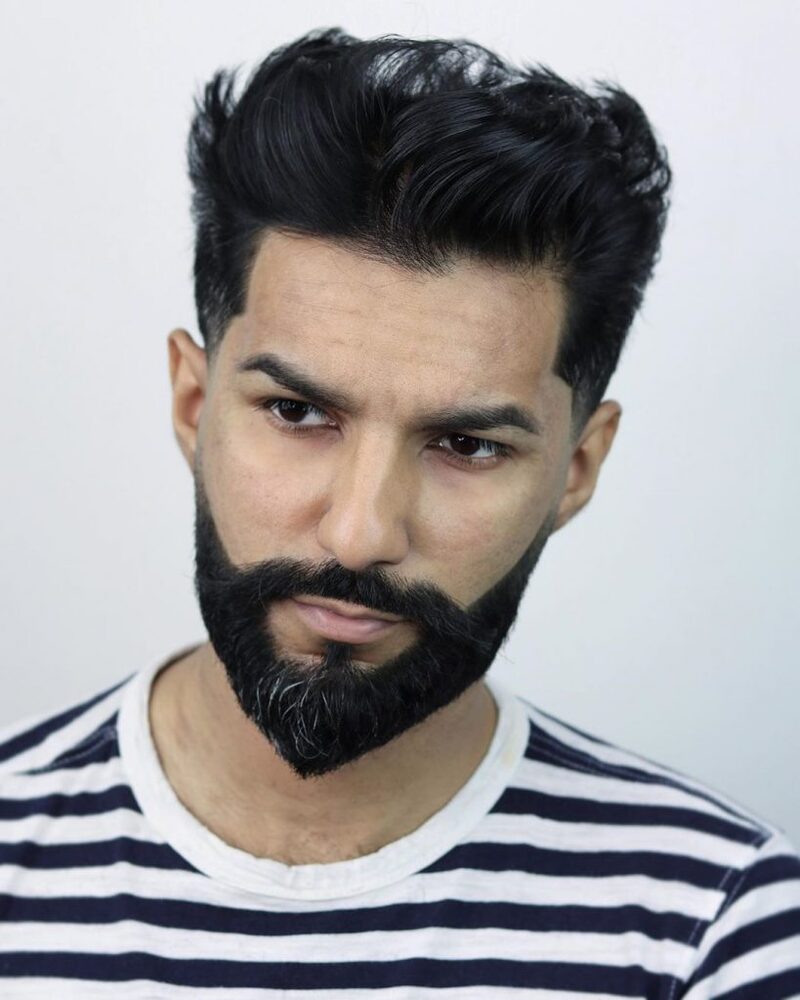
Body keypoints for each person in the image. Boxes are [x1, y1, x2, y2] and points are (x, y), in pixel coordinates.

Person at [1, 25, 798, 997]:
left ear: (576, 469)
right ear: (194, 404)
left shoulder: (719, 927)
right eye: (297, 413)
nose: (359, 535)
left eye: (467, 445)